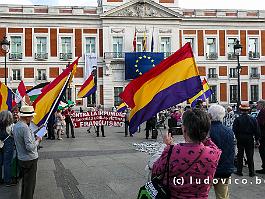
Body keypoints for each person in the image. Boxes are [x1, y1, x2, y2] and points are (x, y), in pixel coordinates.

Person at [151, 109, 221, 198]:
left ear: (184, 129)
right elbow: (211, 144)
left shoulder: (171, 151)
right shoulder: (214, 153)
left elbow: (155, 170)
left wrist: (167, 146)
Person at [13, 106, 42, 199]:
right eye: (31, 116)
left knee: (25, 182)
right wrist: (38, 140)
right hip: (30, 159)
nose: (32, 118)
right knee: (30, 184)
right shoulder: (25, 127)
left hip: (21, 158)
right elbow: (30, 147)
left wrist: (34, 134)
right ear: (27, 117)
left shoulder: (16, 125)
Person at [208, 105, 235, 199]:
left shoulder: (207, 131)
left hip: (210, 170)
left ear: (210, 116)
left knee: (202, 194)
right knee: (222, 196)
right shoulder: (229, 131)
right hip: (225, 170)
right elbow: (231, 150)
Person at [233, 103, 260, 177]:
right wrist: (257, 140)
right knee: (250, 155)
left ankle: (239, 171)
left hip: (240, 138)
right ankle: (251, 172)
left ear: (241, 110)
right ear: (248, 110)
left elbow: (234, 129)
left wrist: (237, 137)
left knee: (240, 155)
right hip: (249, 138)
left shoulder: (237, 119)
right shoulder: (253, 119)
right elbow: (257, 131)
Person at [0, 110, 16, 186]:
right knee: (7, 163)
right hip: (8, 145)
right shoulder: (11, 126)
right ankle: (7, 181)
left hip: (0, 144)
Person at [256, 99, 265, 174]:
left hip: (263, 135)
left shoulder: (263, 112)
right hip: (262, 134)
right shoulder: (262, 111)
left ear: (261, 105)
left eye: (257, 104)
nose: (256, 106)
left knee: (263, 151)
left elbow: (260, 124)